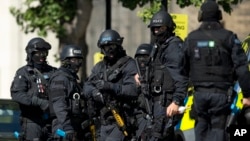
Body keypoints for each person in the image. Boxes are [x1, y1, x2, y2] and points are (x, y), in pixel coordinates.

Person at [183, 0, 250, 141]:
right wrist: (247, 95)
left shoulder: (191, 38)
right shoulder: (229, 37)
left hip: (199, 94)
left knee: (201, 125)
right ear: (219, 15)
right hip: (221, 94)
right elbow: (242, 68)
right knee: (218, 128)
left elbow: (181, 67)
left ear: (200, 16)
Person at [83, 29, 138, 141]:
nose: (109, 50)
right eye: (106, 47)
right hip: (101, 123)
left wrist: (109, 86)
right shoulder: (99, 67)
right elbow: (86, 86)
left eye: (112, 46)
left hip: (120, 121)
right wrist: (95, 92)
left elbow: (132, 90)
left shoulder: (128, 64)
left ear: (118, 45)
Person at [143, 10, 188, 141]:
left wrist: (176, 101)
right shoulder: (159, 47)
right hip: (156, 104)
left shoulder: (173, 47)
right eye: (154, 29)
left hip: (166, 103)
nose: (157, 31)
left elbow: (181, 76)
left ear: (168, 28)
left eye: (160, 28)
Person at [10, 37, 57, 141]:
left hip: (52, 122)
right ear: (30, 54)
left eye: (44, 53)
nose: (42, 57)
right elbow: (17, 94)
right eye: (38, 53)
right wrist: (39, 102)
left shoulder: (53, 72)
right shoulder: (23, 73)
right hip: (32, 122)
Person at [48, 44, 87, 141]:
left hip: (73, 127)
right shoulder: (60, 78)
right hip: (63, 128)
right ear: (66, 61)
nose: (77, 63)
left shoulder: (72, 79)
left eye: (79, 60)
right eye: (74, 60)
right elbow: (59, 105)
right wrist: (67, 127)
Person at [133, 43, 154, 140]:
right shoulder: (131, 76)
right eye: (139, 57)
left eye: (145, 57)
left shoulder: (156, 75)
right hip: (138, 118)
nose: (142, 60)